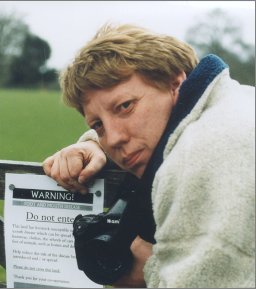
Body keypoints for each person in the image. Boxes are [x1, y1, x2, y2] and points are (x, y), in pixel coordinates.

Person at [42, 24, 255, 287]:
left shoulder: (202, 156)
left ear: (175, 83)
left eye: (125, 106)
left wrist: (150, 270)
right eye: (98, 125)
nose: (115, 138)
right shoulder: (233, 106)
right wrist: (93, 145)